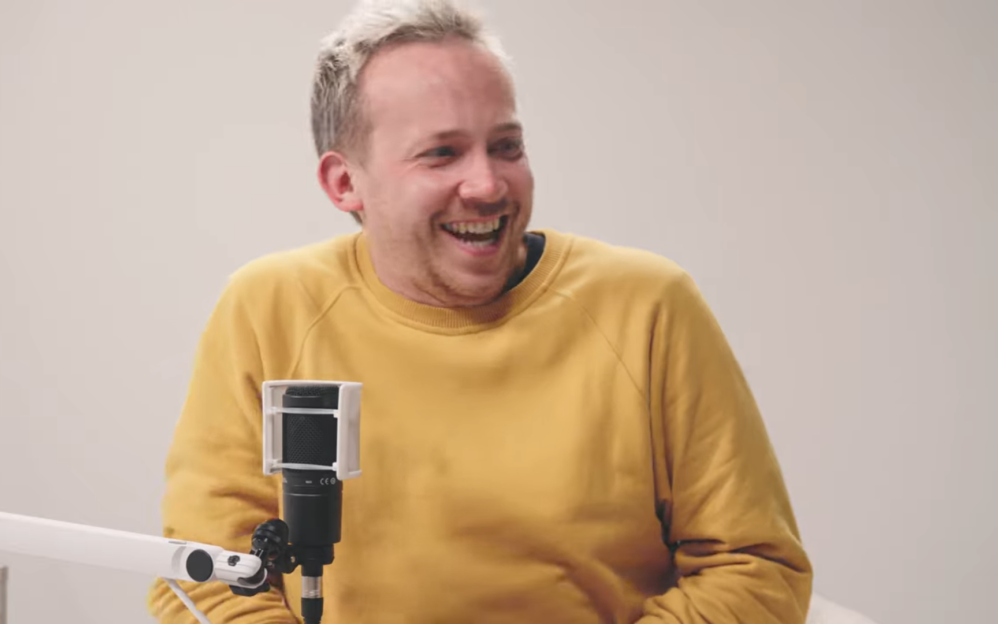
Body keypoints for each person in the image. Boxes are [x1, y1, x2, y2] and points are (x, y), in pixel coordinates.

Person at [147, 0, 813, 622]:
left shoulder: (648, 306)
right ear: (345, 182)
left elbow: (755, 568)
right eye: (441, 153)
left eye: (506, 146)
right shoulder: (268, 308)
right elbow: (200, 578)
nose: (488, 184)